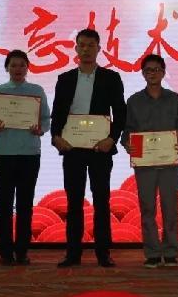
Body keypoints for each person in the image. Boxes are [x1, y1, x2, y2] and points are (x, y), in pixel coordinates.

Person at [51, 28, 126, 268]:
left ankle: (103, 253)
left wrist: (111, 139)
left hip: (99, 148)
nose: (85, 50)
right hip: (72, 148)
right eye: (81, 45)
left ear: (98, 49)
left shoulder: (111, 78)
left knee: (102, 201)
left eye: (90, 45)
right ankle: (73, 253)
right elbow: (57, 113)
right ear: (76, 48)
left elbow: (121, 113)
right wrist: (56, 137)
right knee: (74, 202)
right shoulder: (65, 79)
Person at [0, 50, 50, 266]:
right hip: (4, 154)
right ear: (7, 68)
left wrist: (40, 129)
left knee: (25, 205)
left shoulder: (36, 91)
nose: (18, 69)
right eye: (13, 65)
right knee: (4, 204)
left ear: (27, 67)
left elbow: (46, 119)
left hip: (29, 154)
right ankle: (5, 252)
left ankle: (22, 251)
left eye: (22, 65)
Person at [122, 54, 178, 268]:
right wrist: (128, 144)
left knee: (170, 208)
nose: (152, 73)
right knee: (147, 208)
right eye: (148, 70)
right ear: (143, 74)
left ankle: (170, 252)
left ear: (163, 72)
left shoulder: (174, 99)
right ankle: (152, 253)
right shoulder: (134, 101)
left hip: (168, 163)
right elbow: (128, 130)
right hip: (145, 164)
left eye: (156, 69)